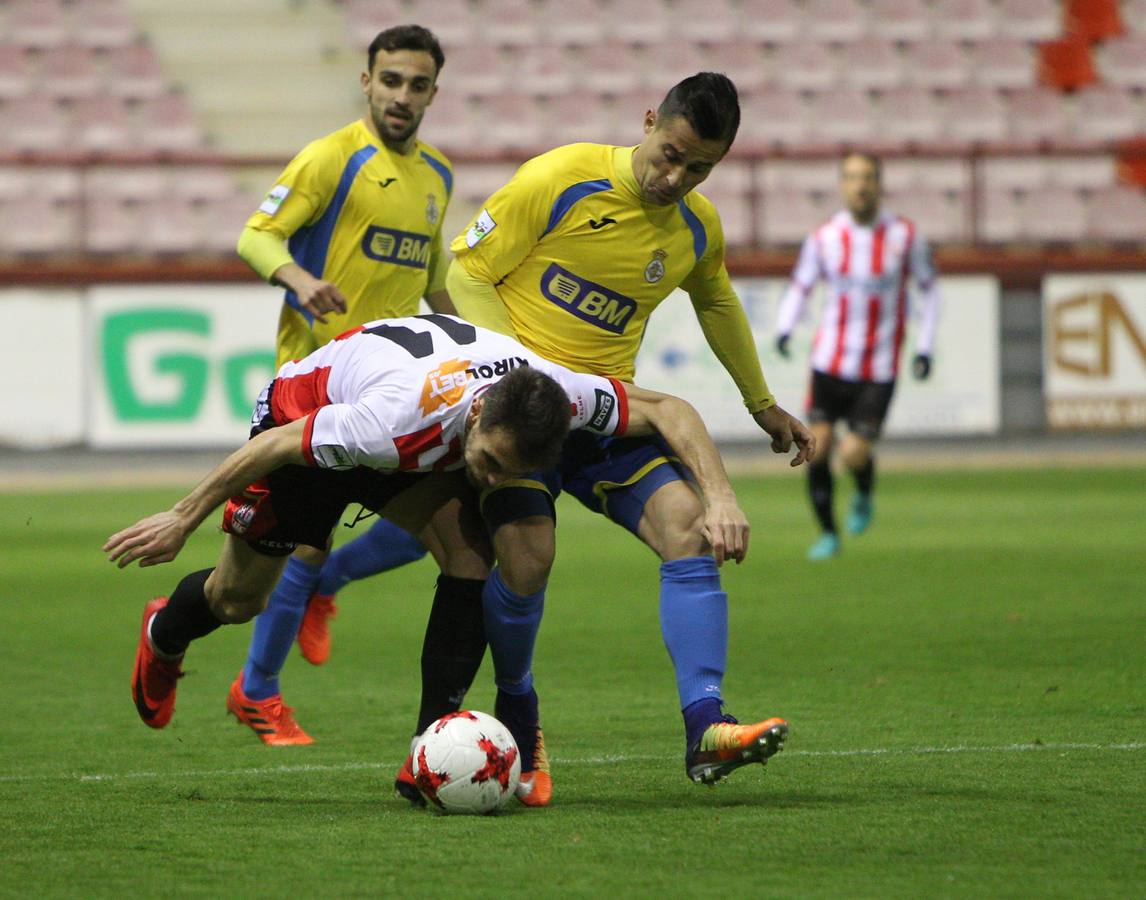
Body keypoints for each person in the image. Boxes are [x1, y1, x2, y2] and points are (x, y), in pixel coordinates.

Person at [418, 71, 814, 798]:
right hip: (524, 409)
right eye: (671, 155)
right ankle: (519, 708)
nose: (676, 179)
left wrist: (761, 403)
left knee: (688, 527)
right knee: (528, 561)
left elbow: (716, 299)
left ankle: (706, 726)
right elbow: (466, 275)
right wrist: (522, 379)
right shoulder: (562, 178)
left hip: (603, 411)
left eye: (699, 169)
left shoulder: (696, 228)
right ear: (648, 121)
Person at [108, 314, 751, 738]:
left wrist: (719, 497)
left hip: (402, 438)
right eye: (489, 461)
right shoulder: (393, 420)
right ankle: (165, 631)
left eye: (510, 471)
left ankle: (429, 749)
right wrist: (182, 517)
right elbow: (275, 445)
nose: (492, 480)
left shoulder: (558, 393)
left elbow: (670, 408)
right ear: (476, 418)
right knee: (237, 600)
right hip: (301, 427)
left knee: (470, 555)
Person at [231, 25, 463, 746]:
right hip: (318, 381)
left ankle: (323, 588)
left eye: (416, 85)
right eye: (390, 80)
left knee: (436, 527)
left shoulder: (437, 174)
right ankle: (257, 691)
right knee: (301, 544)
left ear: (433, 92)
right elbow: (256, 235)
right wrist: (300, 281)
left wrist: (468, 339)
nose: (401, 96)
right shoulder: (332, 158)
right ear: (367, 81)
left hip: (397, 387)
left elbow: (431, 274)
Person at [773, 152, 940, 561]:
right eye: (851, 177)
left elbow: (929, 290)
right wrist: (785, 326)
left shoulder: (904, 236)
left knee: (852, 453)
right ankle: (828, 534)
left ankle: (863, 490)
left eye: (867, 177)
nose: (860, 185)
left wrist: (924, 346)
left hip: (878, 368)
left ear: (879, 184)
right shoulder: (825, 237)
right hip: (829, 363)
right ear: (842, 185)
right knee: (817, 447)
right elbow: (801, 284)